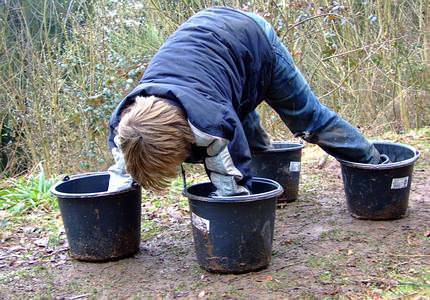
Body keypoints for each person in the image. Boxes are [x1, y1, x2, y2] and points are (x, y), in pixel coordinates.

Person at [107, 7, 381, 196]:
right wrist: (114, 200)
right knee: (232, 117)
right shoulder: (126, 125)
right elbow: (122, 169)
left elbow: (231, 177)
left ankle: (376, 165)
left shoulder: (211, 124)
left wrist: (233, 204)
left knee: (309, 120)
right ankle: (269, 176)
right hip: (215, 52)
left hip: (253, 39)